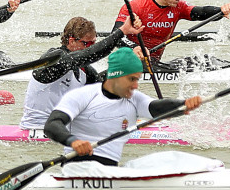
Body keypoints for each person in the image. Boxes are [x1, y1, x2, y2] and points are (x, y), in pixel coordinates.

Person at [44, 47, 203, 166]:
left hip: (109, 170)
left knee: (169, 159)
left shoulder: (134, 99)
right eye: (131, 79)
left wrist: (183, 105)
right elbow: (52, 125)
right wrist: (73, 141)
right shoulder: (82, 95)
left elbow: (156, 107)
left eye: (137, 80)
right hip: (79, 168)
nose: (136, 86)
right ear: (116, 76)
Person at [19, 15, 141, 130]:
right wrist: (121, 31)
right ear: (71, 41)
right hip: (39, 130)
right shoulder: (54, 59)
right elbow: (91, 54)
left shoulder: (84, 70)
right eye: (87, 43)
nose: (91, 47)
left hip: (63, 129)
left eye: (94, 43)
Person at [111, 0, 230, 71]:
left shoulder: (178, 7)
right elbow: (115, 36)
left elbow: (200, 12)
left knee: (205, 60)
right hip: (130, 65)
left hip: (155, 65)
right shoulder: (136, 6)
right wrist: (135, 48)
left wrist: (220, 10)